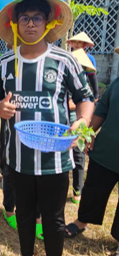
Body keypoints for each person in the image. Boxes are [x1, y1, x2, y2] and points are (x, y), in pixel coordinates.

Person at [0, 0, 94, 256]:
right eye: (24, 19)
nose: (31, 25)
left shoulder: (64, 60)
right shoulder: (5, 63)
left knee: (53, 219)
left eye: (37, 18)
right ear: (15, 24)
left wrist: (82, 120)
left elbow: (86, 98)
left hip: (55, 161)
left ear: (47, 22)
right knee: (24, 217)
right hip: (18, 159)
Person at [62, 40, 119, 246]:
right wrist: (88, 133)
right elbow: (101, 112)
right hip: (106, 151)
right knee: (94, 187)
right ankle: (82, 220)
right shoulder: (116, 85)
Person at [65, 32, 98, 205]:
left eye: (80, 42)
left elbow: (93, 91)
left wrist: (87, 107)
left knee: (78, 152)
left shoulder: (88, 63)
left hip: (79, 114)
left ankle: (77, 189)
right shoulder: (65, 62)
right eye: (75, 41)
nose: (77, 44)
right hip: (65, 114)